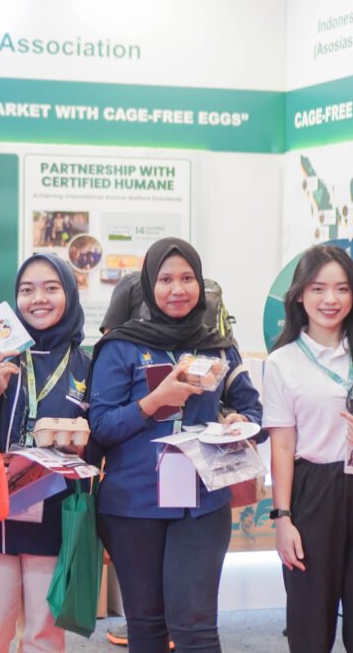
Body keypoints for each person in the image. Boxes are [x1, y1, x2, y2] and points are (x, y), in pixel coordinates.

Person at [88, 237, 262, 653]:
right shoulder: (120, 346)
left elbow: (254, 412)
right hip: (133, 504)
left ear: (200, 284)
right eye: (166, 279)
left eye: (187, 278)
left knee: (195, 625)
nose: (177, 289)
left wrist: (240, 423)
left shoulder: (218, 346)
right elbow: (102, 426)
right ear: (149, 286)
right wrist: (154, 401)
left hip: (202, 502)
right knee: (146, 625)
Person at [263, 244, 353, 652]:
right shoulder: (282, 362)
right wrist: (282, 518)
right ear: (299, 296)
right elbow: (282, 445)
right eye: (318, 289)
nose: (331, 299)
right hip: (313, 491)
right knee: (310, 620)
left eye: (342, 289)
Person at [0, 253, 90, 652]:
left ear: (69, 293)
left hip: (55, 515)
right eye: (27, 290)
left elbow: (101, 436)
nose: (39, 299)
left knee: (44, 637)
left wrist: (82, 442)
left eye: (51, 288)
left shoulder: (86, 364)